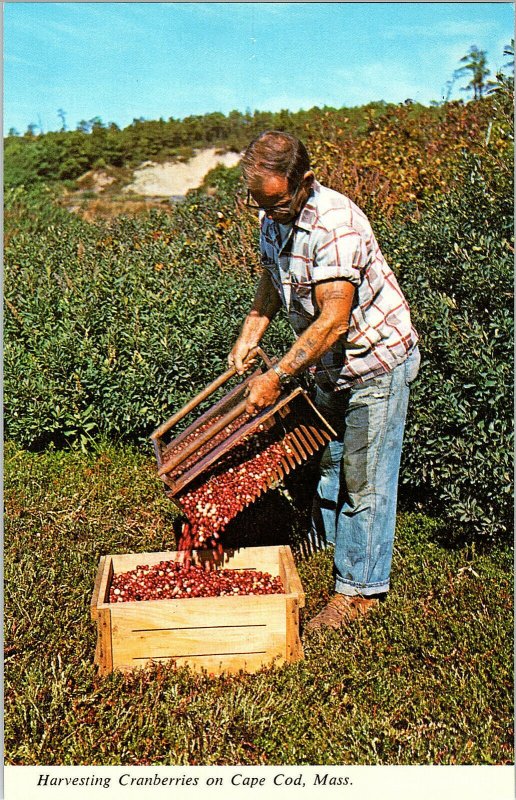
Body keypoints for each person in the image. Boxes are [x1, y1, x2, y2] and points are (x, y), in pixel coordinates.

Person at [229, 131, 420, 632]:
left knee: (366, 477)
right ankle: (328, 546)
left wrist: (276, 375)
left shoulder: (335, 224)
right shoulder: (274, 219)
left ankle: (360, 591)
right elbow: (272, 279)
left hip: (373, 361)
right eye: (258, 203)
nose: (267, 213)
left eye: (275, 201)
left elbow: (334, 319)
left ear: (305, 183)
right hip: (327, 364)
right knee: (331, 458)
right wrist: (251, 333)